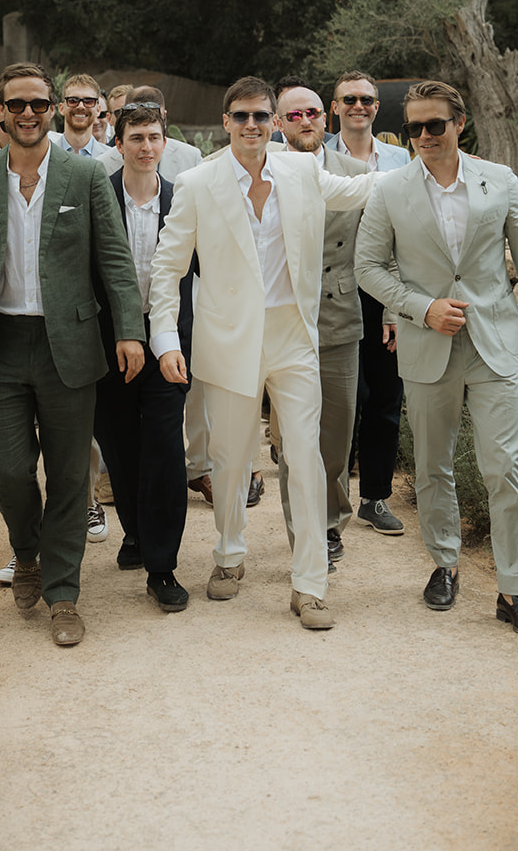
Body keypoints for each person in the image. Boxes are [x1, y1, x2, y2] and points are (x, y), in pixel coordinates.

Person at [0, 62, 144, 647]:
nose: (28, 114)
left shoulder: (83, 176)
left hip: (68, 346)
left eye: (38, 104)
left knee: (71, 475)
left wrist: (129, 330)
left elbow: (116, 261)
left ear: (52, 109)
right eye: (16, 104)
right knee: (4, 467)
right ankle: (27, 552)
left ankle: (64, 594)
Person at [148, 76, 373, 629]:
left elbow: (362, 190)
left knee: (305, 455)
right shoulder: (196, 183)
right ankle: (229, 553)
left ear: (274, 121)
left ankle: (310, 584)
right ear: (225, 123)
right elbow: (167, 267)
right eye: (241, 116)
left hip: (294, 336)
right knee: (229, 464)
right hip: (227, 340)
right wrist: (166, 340)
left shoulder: (301, 171)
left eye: (261, 116)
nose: (252, 125)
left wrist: (426, 165)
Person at [354, 79, 518, 638]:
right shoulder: (390, 190)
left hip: (495, 346)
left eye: (433, 125)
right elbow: (367, 267)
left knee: (505, 467)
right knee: (432, 466)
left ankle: (514, 589)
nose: (422, 136)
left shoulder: (502, 180)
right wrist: (421, 308)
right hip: (427, 347)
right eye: (413, 127)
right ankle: (444, 565)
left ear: (458, 124)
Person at [93, 103, 195, 612]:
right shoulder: (98, 198)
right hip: (109, 343)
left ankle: (162, 565)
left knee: (163, 450)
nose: (146, 147)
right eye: (136, 137)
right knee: (119, 446)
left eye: (154, 137)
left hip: (168, 344)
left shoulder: (182, 202)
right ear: (118, 143)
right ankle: (135, 529)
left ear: (164, 141)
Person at [273, 80, 367, 566]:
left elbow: (383, 248)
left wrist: (392, 311)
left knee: (336, 435)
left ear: (324, 119)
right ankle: (309, 534)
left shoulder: (355, 173)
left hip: (339, 315)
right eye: (294, 115)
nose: (305, 121)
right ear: (278, 123)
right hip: (286, 319)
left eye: (312, 113)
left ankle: (332, 516)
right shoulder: (260, 171)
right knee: (296, 440)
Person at [326, 69, 409, 539]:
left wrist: (398, 307)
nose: (358, 106)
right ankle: (332, 502)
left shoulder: (400, 160)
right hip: (334, 287)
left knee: (384, 398)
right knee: (342, 402)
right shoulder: (318, 157)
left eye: (367, 100)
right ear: (334, 106)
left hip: (385, 290)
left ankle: (374, 497)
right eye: (349, 99)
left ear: (377, 107)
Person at [100, 85, 202, 183]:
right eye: (136, 138)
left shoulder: (191, 158)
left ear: (164, 116)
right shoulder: (103, 164)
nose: (146, 147)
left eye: (155, 116)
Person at [50, 72, 112, 158]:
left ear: (98, 110)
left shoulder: (111, 158)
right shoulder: (45, 155)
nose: (81, 106)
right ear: (61, 108)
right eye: (73, 101)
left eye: (88, 101)